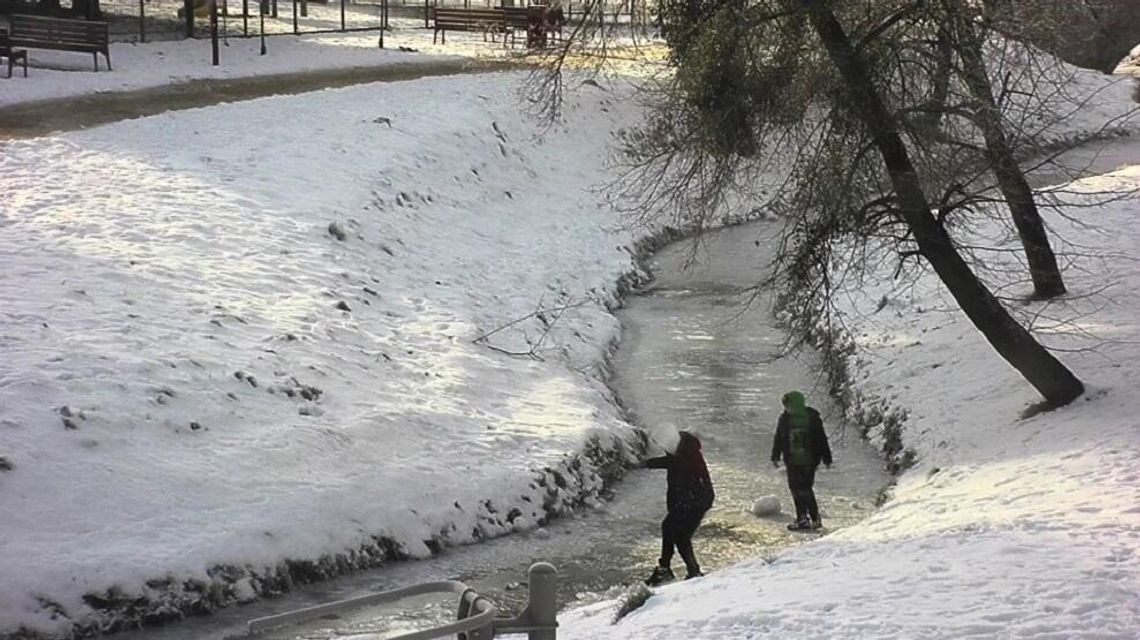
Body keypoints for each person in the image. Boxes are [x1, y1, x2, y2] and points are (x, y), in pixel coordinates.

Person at [643, 430, 715, 585]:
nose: (664, 449)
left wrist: (646, 464)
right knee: (674, 531)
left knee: (677, 534)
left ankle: (679, 571)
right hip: (691, 500)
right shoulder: (682, 449)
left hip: (693, 501)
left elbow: (675, 464)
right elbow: (671, 462)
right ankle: (676, 569)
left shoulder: (685, 453)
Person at [771, 390, 832, 531]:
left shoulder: (811, 418)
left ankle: (810, 518)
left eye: (788, 405)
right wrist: (775, 455)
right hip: (793, 461)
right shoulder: (785, 418)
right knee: (797, 489)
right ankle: (805, 518)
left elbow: (821, 438)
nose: (787, 408)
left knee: (804, 489)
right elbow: (779, 437)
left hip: (809, 460)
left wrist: (826, 457)